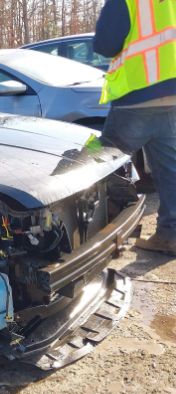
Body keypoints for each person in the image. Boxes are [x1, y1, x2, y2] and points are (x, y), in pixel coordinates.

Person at [94, 0, 176, 256]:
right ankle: (170, 235)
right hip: (173, 95)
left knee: (100, 165)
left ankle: (97, 237)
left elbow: (105, 44)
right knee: (171, 172)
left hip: (136, 98)